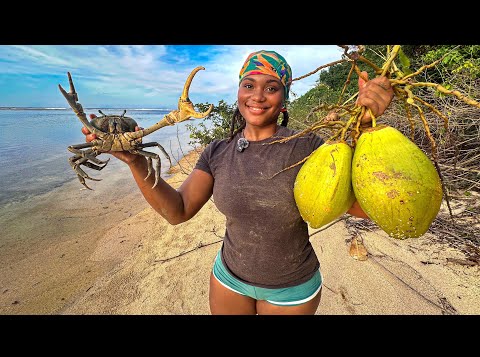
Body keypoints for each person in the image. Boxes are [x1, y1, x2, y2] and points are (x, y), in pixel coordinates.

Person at [82, 50, 394, 315]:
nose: (258, 96)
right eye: (249, 85)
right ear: (239, 93)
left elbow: (365, 208)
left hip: (291, 287)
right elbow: (177, 211)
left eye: (271, 87)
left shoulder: (308, 148)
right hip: (228, 278)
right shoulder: (218, 150)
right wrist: (136, 161)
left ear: (284, 98)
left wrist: (364, 132)